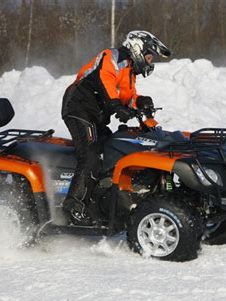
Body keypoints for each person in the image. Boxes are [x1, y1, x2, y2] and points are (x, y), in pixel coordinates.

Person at [56, 30, 171, 226]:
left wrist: (139, 102)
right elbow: (105, 81)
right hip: (78, 107)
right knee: (90, 154)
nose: (150, 61)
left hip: (96, 115)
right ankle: (73, 205)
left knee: (111, 150)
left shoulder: (130, 71)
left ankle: (99, 201)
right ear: (137, 48)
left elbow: (126, 95)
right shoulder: (114, 57)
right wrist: (116, 106)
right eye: (149, 55)